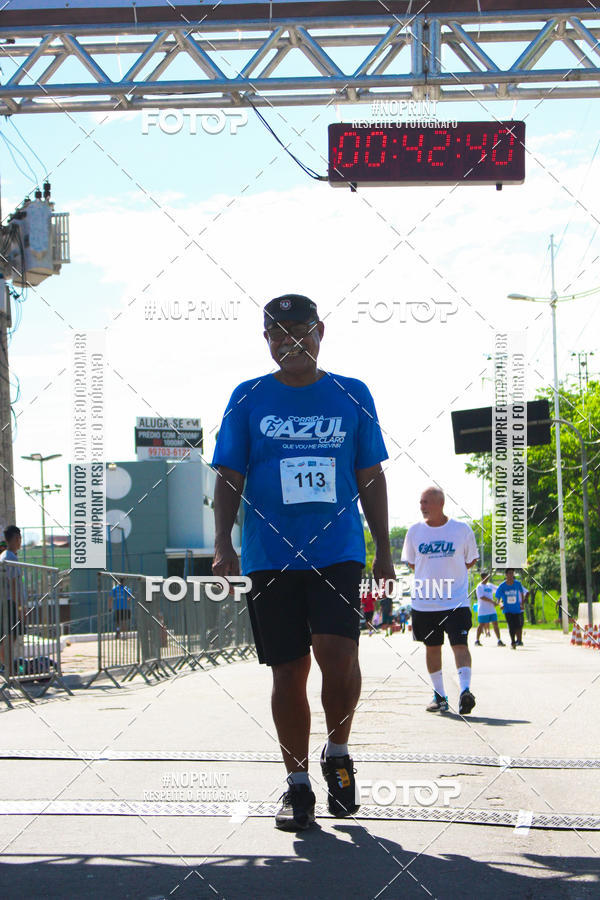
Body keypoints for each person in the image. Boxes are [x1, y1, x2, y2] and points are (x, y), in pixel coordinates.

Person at [212, 294, 393, 831]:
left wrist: (383, 547)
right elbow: (228, 475)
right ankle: (296, 785)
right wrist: (224, 541)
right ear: (266, 340)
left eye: (301, 331)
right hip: (270, 557)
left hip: (337, 550)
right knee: (288, 670)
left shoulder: (351, 394)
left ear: (321, 332)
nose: (291, 341)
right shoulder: (247, 398)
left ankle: (337, 753)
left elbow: (371, 475)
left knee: (337, 655)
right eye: (278, 333)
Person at [401, 487, 479, 715]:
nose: (422, 506)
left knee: (460, 645)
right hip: (425, 603)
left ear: (439, 503)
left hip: (455, 601)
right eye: (421, 502)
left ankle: (465, 691)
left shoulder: (461, 530)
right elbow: (413, 564)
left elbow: (470, 560)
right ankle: (440, 696)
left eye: (425, 502)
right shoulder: (414, 532)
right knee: (432, 647)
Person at [0, 525, 23, 675]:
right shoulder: (10, 558)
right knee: (10, 637)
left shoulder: (3, 556)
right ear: (16, 539)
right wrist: (20, 607)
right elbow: (14, 585)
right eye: (19, 539)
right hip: (10, 603)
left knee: (5, 638)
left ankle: (7, 668)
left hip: (5, 602)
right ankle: (8, 669)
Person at [495, 569, 528, 648]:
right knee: (511, 625)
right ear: (506, 575)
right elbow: (498, 599)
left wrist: (522, 603)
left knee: (517, 625)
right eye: (509, 573)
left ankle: (518, 640)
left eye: (512, 573)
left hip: (516, 608)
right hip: (507, 609)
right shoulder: (502, 586)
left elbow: (522, 593)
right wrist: (500, 605)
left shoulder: (517, 584)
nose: (511, 575)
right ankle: (513, 642)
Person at [474, 571, 505, 647]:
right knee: (481, 624)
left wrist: (499, 600)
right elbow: (482, 597)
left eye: (488, 577)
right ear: (482, 577)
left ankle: (499, 640)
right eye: (485, 577)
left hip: (491, 609)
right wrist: (492, 602)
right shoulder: (479, 586)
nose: (487, 579)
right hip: (483, 609)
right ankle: (477, 640)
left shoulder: (490, 585)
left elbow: (498, 590)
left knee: (495, 624)